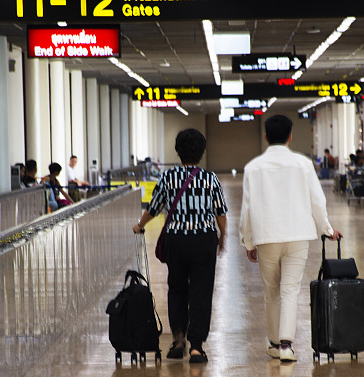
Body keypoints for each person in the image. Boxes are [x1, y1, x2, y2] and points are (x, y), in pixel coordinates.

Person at [239, 115, 342, 363]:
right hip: (298, 236)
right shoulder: (303, 164)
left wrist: (248, 241)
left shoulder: (253, 167)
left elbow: (247, 209)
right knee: (290, 290)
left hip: (266, 237)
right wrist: (326, 229)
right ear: (290, 136)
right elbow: (317, 201)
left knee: (271, 291)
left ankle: (274, 343)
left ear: (265, 137)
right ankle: (287, 345)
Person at [132, 129, 227, 364]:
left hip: (176, 241)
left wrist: (139, 225)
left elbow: (153, 208)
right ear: (202, 152)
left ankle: (177, 340)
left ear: (178, 151)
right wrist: (223, 236)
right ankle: (196, 347)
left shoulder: (168, 177)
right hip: (204, 239)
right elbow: (220, 212)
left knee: (176, 289)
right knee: (201, 292)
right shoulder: (210, 178)